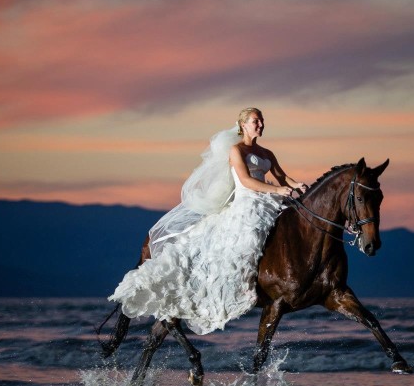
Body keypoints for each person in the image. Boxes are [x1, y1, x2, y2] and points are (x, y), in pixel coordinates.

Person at [108, 107, 307, 334]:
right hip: (247, 201)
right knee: (250, 236)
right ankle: (242, 284)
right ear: (243, 125)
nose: (260, 124)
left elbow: (282, 176)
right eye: (255, 121)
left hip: (269, 199)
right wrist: (279, 190)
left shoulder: (267, 153)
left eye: (262, 120)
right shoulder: (236, 150)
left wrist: (295, 185)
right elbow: (246, 180)